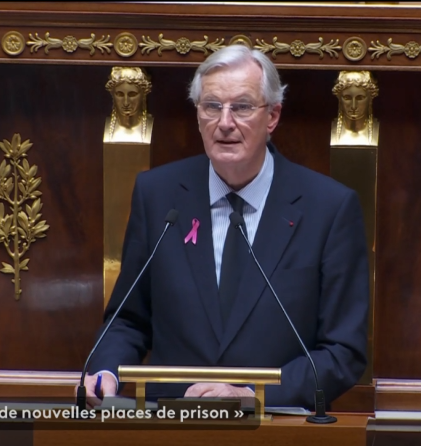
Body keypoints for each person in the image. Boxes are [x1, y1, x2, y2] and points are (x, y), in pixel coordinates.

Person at [83, 44, 369, 410]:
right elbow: (127, 319)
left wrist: (251, 396)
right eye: (212, 106)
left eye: (243, 107)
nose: (225, 122)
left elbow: (342, 351)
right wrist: (107, 371)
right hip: (170, 425)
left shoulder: (328, 208)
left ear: (273, 117)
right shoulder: (158, 196)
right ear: (198, 115)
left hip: (278, 427)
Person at [104, 66, 154, 144]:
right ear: (112, 94)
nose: (126, 103)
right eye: (120, 94)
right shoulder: (108, 128)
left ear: (144, 94)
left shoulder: (149, 126)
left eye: (132, 94)